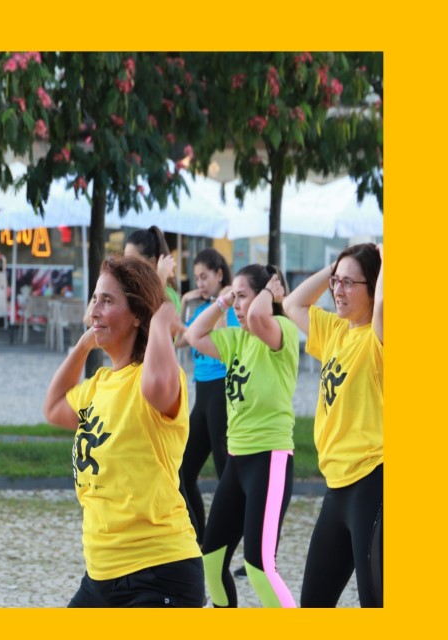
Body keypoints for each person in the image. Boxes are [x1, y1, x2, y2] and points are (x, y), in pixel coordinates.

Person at [43, 255, 204, 608]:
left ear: (136, 316)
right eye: (94, 299)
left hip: (158, 572)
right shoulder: (100, 383)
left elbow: (158, 387)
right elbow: (53, 408)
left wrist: (161, 324)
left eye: (108, 300)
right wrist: (85, 345)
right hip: (101, 575)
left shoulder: (157, 377)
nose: (94, 310)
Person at [183, 264, 298, 608]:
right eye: (235, 296)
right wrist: (223, 301)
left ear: (267, 297)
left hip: (271, 458)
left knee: (259, 567)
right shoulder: (237, 339)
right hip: (237, 461)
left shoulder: (282, 331)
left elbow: (262, 318)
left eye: (242, 296)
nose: (237, 304)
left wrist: (268, 295)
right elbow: (194, 335)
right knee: (212, 560)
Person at [283, 243, 383, 607]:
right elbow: (292, 304)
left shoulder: (378, 337)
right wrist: (337, 269)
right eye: (335, 283)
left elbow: (385, 307)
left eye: (348, 284)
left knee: (376, 606)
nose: (337, 291)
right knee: (313, 605)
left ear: (373, 287)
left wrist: (385, 258)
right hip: (336, 485)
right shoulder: (335, 331)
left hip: (373, 482)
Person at [176, 248, 238, 544]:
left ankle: (241, 540)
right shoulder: (200, 310)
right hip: (202, 396)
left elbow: (227, 340)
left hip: (221, 392)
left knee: (228, 475)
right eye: (196, 278)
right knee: (183, 471)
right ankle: (199, 538)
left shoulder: (230, 308)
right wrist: (185, 302)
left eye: (205, 277)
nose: (200, 283)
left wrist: (224, 301)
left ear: (219, 275)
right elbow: (177, 341)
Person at [124, 226, 182, 316]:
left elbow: (147, 318)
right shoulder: (127, 287)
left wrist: (161, 277)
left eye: (133, 261)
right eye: (125, 260)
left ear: (152, 262)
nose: (126, 266)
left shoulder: (169, 295)